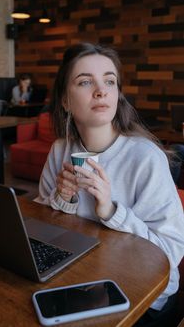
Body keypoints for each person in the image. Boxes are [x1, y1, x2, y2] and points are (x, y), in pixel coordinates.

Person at [35, 42, 184, 326]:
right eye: (85, 81)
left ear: (117, 94)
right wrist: (62, 199)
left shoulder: (145, 158)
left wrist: (111, 210)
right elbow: (41, 228)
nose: (101, 90)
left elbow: (171, 252)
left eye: (109, 81)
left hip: (146, 295)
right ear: (65, 100)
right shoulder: (59, 150)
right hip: (81, 280)